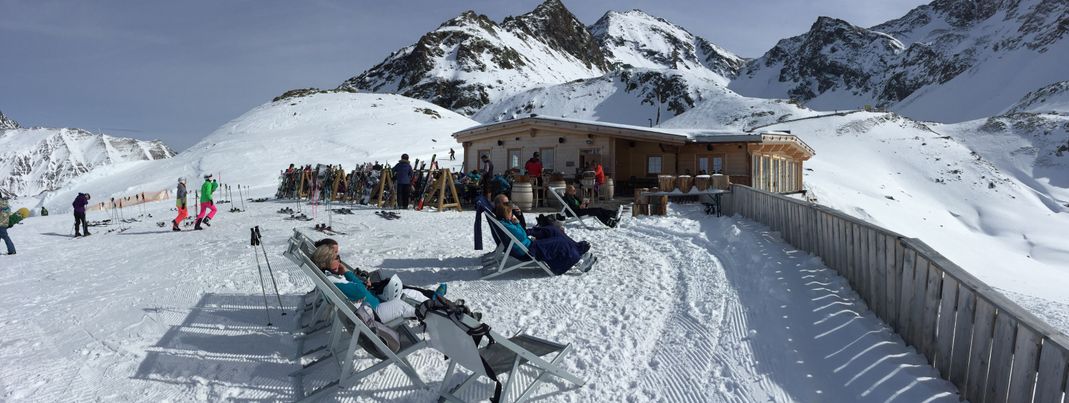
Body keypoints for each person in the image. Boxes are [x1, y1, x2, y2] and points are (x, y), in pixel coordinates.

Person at [310, 244, 446, 323]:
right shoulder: (335, 281)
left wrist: (346, 274)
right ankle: (435, 315)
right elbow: (361, 289)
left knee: (410, 293)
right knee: (403, 305)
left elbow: (361, 289)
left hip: (373, 305)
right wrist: (347, 273)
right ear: (327, 262)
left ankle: (436, 302)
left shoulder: (331, 278)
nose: (340, 259)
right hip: (374, 313)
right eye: (336, 257)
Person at [495, 203, 591, 274]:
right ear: (506, 213)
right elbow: (521, 234)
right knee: (559, 242)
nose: (512, 214)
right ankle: (578, 263)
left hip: (528, 245)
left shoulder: (506, 223)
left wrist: (517, 224)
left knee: (553, 230)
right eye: (511, 212)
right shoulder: (508, 225)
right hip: (528, 250)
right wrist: (517, 223)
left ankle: (577, 250)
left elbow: (521, 234)